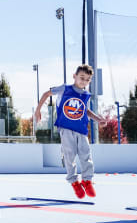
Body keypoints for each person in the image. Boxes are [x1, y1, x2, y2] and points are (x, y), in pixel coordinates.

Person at [34, 64, 107, 199]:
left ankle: (87, 180)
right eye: (81, 78)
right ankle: (74, 182)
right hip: (66, 129)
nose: (83, 81)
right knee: (70, 156)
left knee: (86, 155)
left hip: (81, 129)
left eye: (87, 79)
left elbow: (85, 110)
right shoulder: (65, 89)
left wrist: (98, 119)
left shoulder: (86, 94)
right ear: (75, 76)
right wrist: (38, 110)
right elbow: (46, 94)